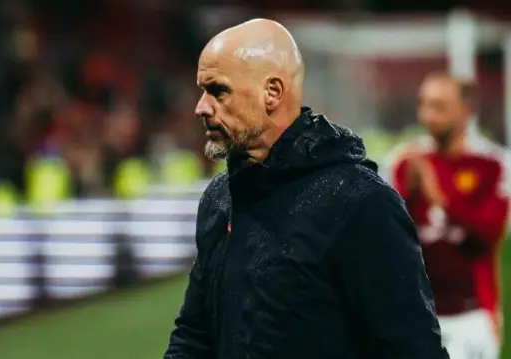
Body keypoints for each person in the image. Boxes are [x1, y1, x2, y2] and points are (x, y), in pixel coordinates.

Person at [163, 18, 449, 359]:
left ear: (272, 92)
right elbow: (195, 335)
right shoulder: (220, 199)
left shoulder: (361, 202)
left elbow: (412, 348)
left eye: (218, 90)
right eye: (202, 91)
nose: (201, 107)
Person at [383, 72, 509, 359]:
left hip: (471, 316)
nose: (428, 115)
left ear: (467, 111)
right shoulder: (405, 163)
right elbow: (387, 240)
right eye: (424, 105)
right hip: (417, 314)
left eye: (439, 106)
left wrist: (439, 197)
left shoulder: (492, 165)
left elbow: (489, 232)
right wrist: (407, 195)